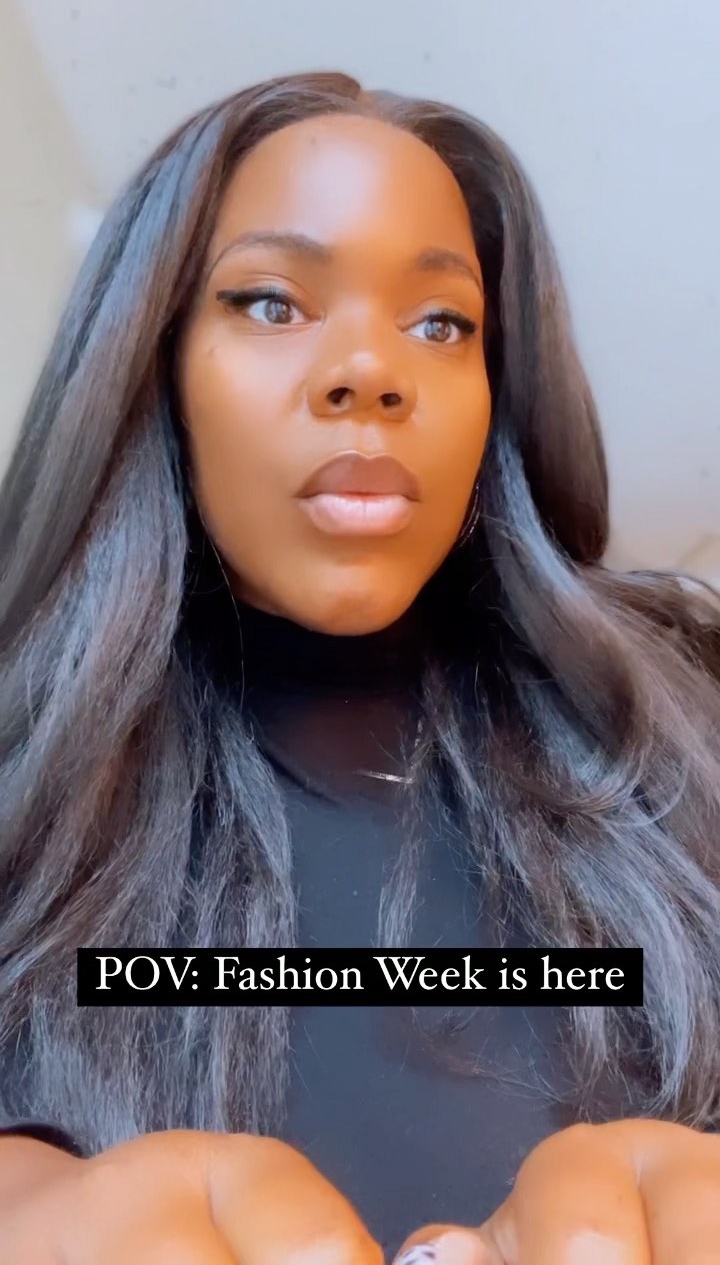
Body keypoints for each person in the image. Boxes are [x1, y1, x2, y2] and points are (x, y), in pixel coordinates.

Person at [0, 69, 719, 1262]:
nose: (371, 373)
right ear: (151, 360)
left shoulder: (682, 722)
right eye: (272, 302)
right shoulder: (24, 769)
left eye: (441, 324)